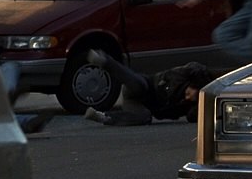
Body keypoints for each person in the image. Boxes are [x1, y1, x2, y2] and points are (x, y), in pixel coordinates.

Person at [82, 49, 212, 126]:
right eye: (189, 93)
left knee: (144, 117)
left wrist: (201, 104)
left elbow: (192, 118)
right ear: (193, 85)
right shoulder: (183, 75)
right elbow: (197, 68)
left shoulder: (188, 106)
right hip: (142, 86)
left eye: (191, 99)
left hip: (139, 104)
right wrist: (203, 84)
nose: (187, 97)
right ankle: (105, 61)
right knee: (140, 86)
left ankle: (104, 117)